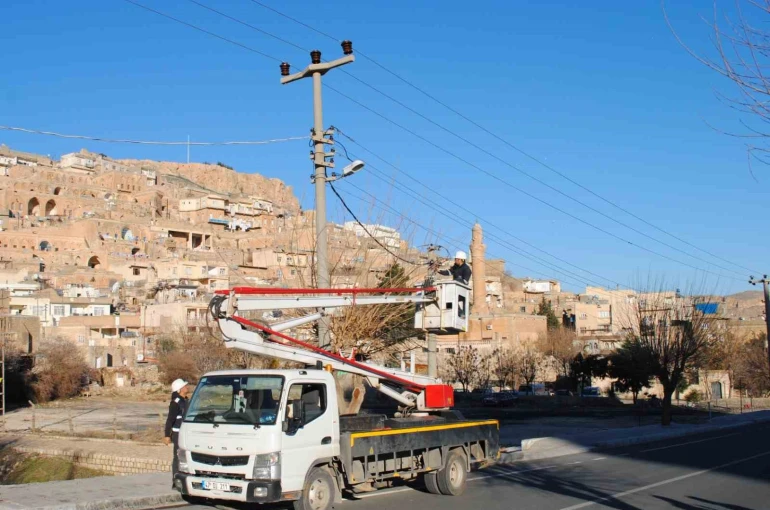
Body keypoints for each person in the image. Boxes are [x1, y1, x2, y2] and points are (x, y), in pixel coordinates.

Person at [164, 378, 192, 482]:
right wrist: (167, 435)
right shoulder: (175, 403)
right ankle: (176, 479)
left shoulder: (187, 401)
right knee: (177, 456)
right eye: (184, 386)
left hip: (187, 433)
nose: (187, 387)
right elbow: (170, 420)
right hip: (178, 434)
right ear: (179, 389)